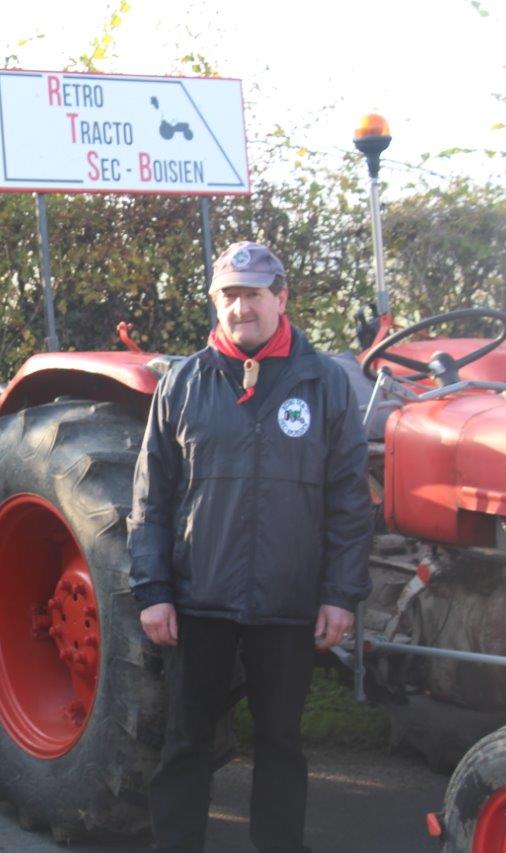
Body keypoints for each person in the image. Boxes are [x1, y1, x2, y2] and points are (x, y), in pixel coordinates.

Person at [127, 241, 372, 852]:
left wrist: (340, 595)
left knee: (282, 745)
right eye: (230, 295)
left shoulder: (325, 384)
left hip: (288, 604)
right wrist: (154, 591)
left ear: (281, 299)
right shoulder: (183, 384)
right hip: (197, 602)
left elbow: (349, 499)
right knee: (186, 745)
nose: (242, 308)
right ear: (216, 302)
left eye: (254, 294)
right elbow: (150, 501)